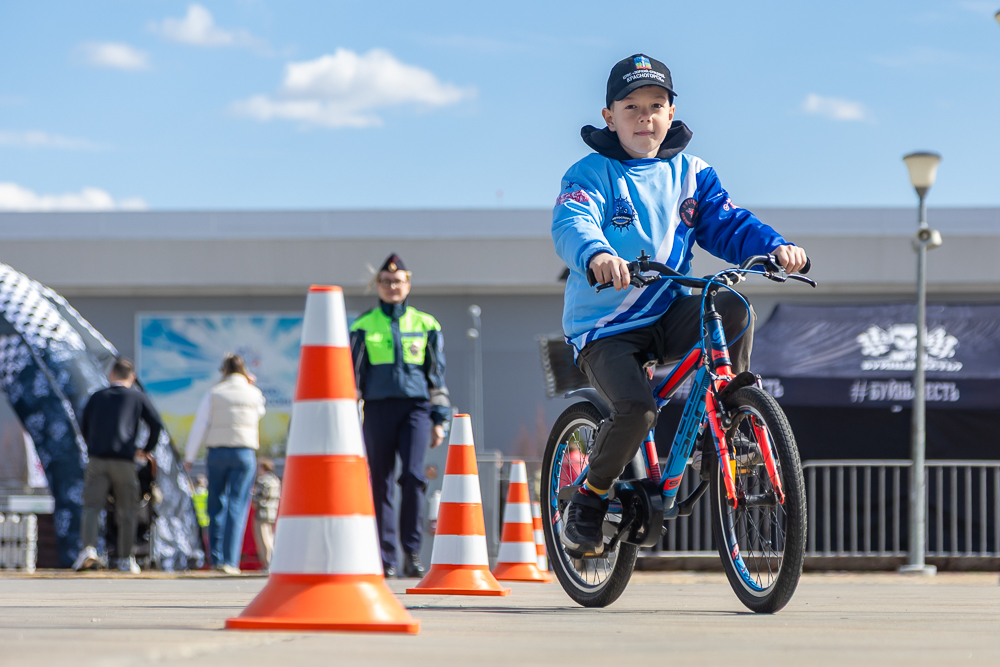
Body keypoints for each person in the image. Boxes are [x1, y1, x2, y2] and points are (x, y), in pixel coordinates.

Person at [552, 54, 807, 555]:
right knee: (637, 410)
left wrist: (775, 247)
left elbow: (729, 222)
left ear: (672, 113)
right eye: (631, 107)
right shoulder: (590, 173)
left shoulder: (692, 172)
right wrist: (597, 253)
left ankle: (731, 420)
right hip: (605, 326)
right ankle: (587, 498)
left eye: (655, 105)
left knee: (731, 304)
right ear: (610, 116)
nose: (644, 117)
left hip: (666, 310)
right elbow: (572, 223)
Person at [350, 253, 451, 578]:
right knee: (379, 481)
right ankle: (385, 557)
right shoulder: (362, 326)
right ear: (377, 286)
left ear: (408, 285)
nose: (392, 286)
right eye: (386, 281)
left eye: (398, 281)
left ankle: (411, 552)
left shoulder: (427, 324)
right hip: (377, 409)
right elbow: (352, 378)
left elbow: (436, 375)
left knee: (412, 477)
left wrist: (439, 418)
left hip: (416, 410)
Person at [74, 357, 163, 573]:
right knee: (127, 510)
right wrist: (145, 449)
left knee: (92, 507)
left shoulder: (97, 397)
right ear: (132, 377)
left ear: (111, 375)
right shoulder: (137, 396)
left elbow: (83, 425)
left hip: (97, 460)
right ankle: (126, 558)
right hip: (125, 461)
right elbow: (156, 424)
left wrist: (93, 445)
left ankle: (89, 550)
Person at [184, 354, 265, 575]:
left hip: (217, 452)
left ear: (224, 371)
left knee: (215, 504)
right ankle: (231, 561)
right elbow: (260, 413)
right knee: (237, 505)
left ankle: (217, 559)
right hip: (244, 452)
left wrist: (190, 456)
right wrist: (251, 385)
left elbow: (201, 424)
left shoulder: (214, 393)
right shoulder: (254, 393)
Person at [251, 458, 280, 569]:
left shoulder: (262, 481)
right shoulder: (275, 480)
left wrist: (254, 497)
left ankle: (267, 563)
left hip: (262, 513)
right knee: (271, 538)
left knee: (263, 539)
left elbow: (259, 497)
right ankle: (273, 562)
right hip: (272, 512)